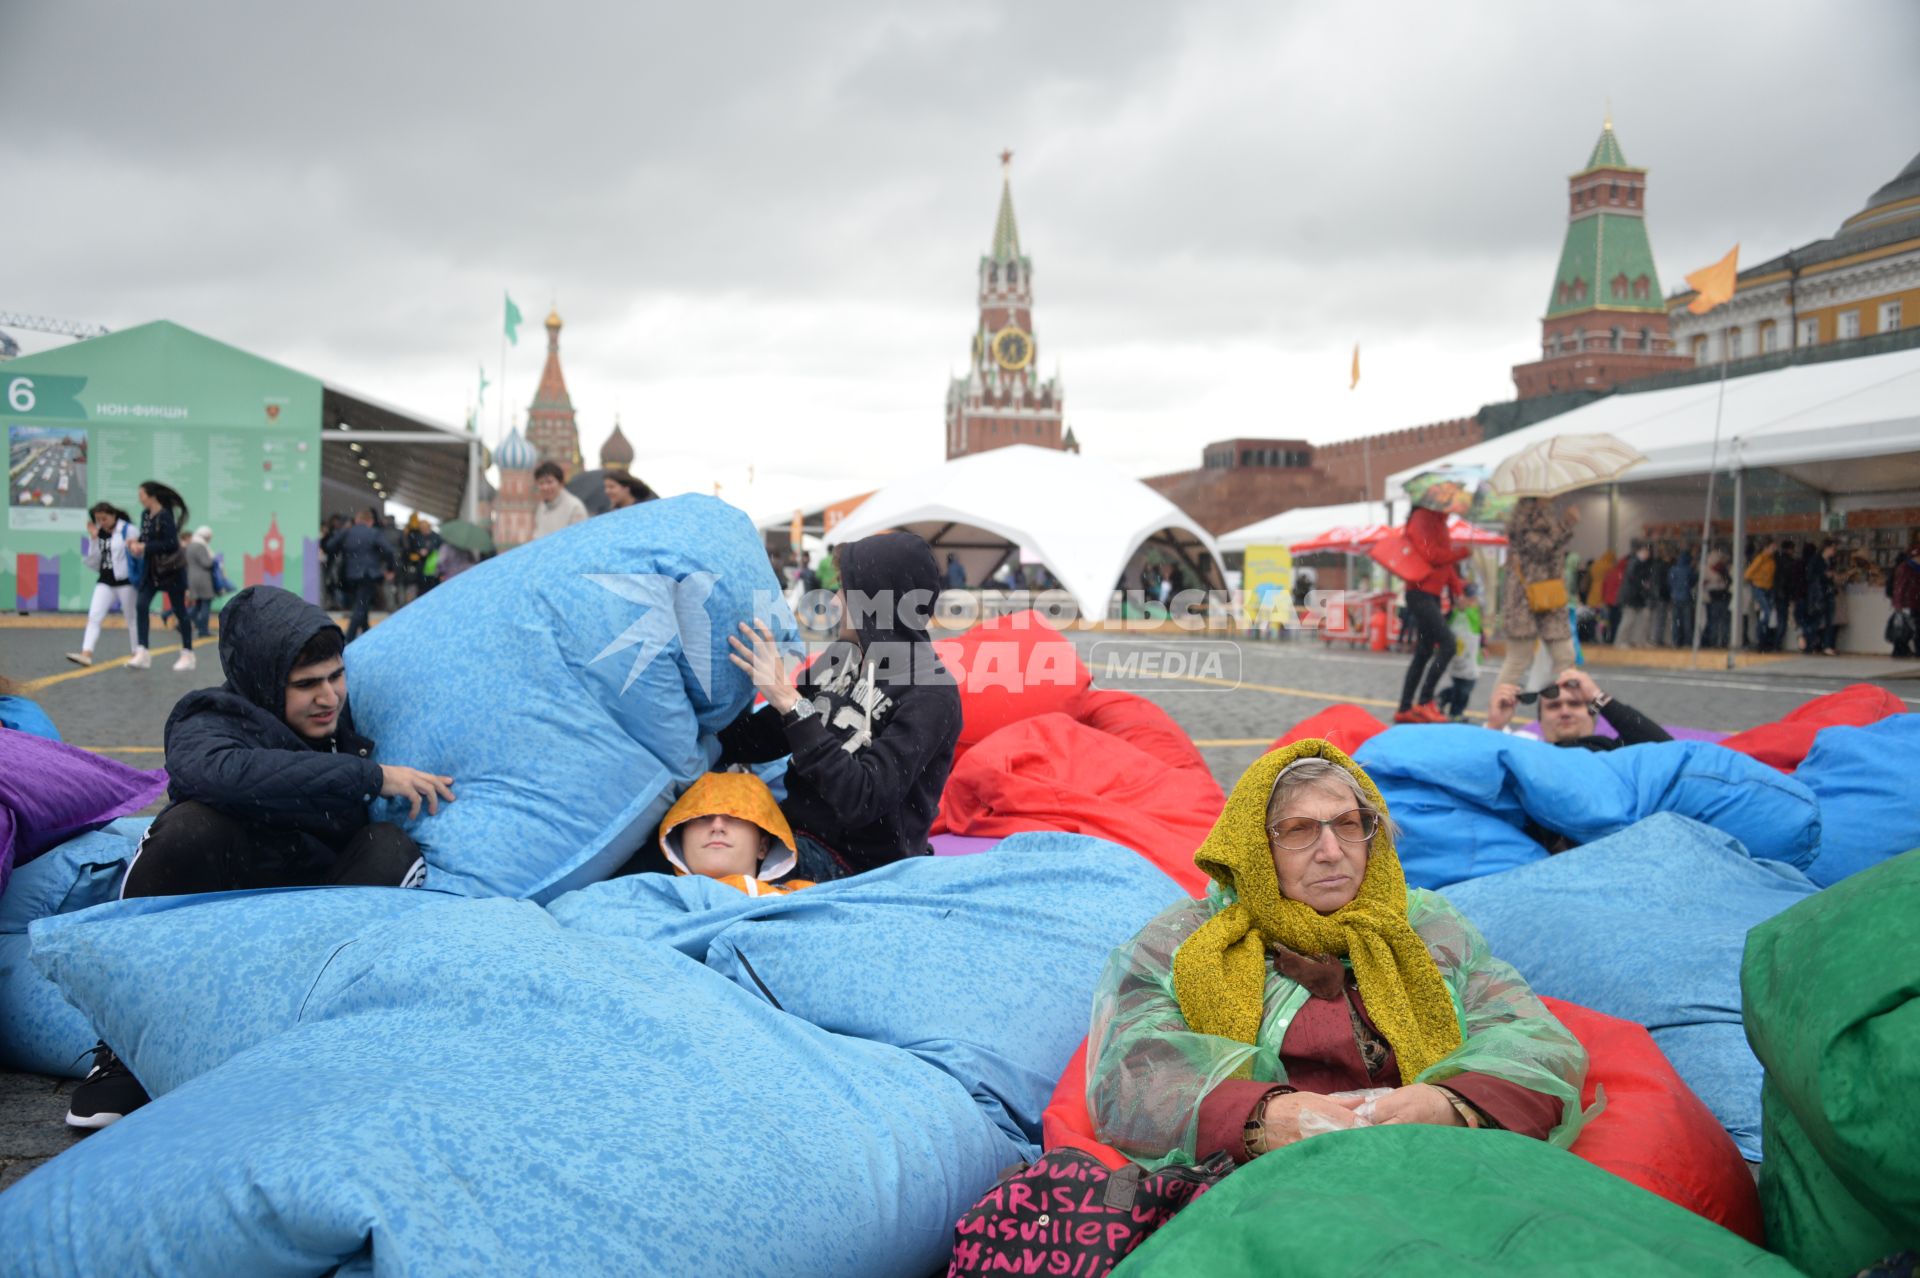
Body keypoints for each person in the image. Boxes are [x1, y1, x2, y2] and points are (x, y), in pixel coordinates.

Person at [1084, 744, 1587, 1171]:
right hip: (1259, 1179)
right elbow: (1131, 1073)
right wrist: (1259, 1120)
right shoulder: (1190, 942)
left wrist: (1453, 1104)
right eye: (1299, 830)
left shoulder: (1423, 928)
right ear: (1257, 848)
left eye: (1350, 824)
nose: (1331, 850)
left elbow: (1533, 1041)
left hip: (1424, 1163)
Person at [66, 587, 453, 1131]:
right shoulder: (206, 718)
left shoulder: (341, 724)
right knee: (187, 826)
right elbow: (215, 773)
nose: (329, 697)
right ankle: (127, 1050)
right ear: (265, 684)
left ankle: (313, 1044)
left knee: (390, 846)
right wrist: (370, 777)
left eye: (336, 676)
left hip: (314, 916)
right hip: (226, 908)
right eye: (306, 685)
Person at [719, 531, 962, 884]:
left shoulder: (931, 693)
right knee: (682, 831)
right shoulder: (842, 658)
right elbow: (767, 737)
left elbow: (862, 799)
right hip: (794, 833)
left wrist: (789, 701)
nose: (833, 602)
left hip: (860, 866)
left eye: (844, 591)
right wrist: (694, 729)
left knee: (705, 864)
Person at [656, 772, 814, 898]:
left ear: (763, 846)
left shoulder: (808, 901)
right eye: (702, 817)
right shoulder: (644, 898)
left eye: (736, 817)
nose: (717, 826)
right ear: (679, 841)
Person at [1491, 497, 1579, 703]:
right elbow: (1539, 550)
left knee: (1565, 656)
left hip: (1549, 596)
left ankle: (1569, 710)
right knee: (1518, 660)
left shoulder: (1545, 516)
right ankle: (1496, 714)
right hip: (1525, 597)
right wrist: (1566, 524)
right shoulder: (1524, 519)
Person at [1392, 506, 1468, 725]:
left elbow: (1447, 564)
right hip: (1419, 592)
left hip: (1431, 594)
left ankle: (1406, 707)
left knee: (1424, 652)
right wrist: (1462, 552)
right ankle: (1424, 701)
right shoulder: (1422, 517)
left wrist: (1457, 590)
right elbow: (1430, 554)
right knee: (1448, 644)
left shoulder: (1440, 521)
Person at [1485, 666, 1671, 750]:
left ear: (1593, 714)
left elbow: (1669, 749)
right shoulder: (1529, 756)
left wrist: (1599, 697)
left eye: (1574, 704)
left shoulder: (1615, 750)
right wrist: (1495, 726)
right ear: (1539, 721)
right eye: (1554, 706)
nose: (1565, 711)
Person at [126, 480, 195, 672]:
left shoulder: (165, 515)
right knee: (141, 605)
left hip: (170, 571)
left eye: (142, 495)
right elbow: (147, 538)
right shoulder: (145, 515)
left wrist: (145, 547)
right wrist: (136, 543)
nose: (140, 499)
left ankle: (188, 653)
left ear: (152, 496)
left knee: (180, 611)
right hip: (151, 570)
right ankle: (142, 651)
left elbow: (171, 543)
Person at [65, 503, 139, 667]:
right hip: (105, 579)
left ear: (114, 515)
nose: (102, 522)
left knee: (131, 618)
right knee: (94, 616)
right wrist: (93, 538)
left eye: (104, 518)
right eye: (98, 519)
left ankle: (137, 653)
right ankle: (86, 653)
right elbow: (94, 559)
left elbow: (135, 554)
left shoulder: (128, 529)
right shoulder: (100, 533)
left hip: (125, 581)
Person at [322, 507, 399, 641]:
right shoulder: (374, 533)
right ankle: (349, 638)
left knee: (361, 604)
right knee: (360, 606)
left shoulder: (347, 532)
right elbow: (388, 550)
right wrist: (390, 568)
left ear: (357, 520)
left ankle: (366, 634)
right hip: (368, 574)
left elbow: (329, 546)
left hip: (350, 575)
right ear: (370, 521)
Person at [1436, 581, 1482, 722]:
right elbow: (1445, 629)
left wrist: (1484, 648)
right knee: (1463, 689)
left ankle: (1443, 698)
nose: (1474, 601)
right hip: (1459, 660)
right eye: (1471, 598)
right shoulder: (1455, 614)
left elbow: (1478, 631)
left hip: (1470, 659)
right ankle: (1455, 712)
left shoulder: (1473, 613)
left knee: (1463, 688)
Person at [532, 460, 589, 539]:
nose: (545, 487)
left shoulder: (575, 507)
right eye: (541, 483)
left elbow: (579, 539)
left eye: (549, 482)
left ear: (561, 483)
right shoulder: (542, 507)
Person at [1615, 543, 1655, 647]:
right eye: (1645, 551)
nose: (1647, 554)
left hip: (1637, 596)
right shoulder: (1634, 563)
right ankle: (1621, 641)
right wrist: (1643, 585)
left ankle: (1638, 640)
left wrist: (1644, 586)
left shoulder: (1642, 563)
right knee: (1629, 619)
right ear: (1639, 551)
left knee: (1641, 619)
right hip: (1631, 596)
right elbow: (1633, 578)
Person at [1802, 541, 1838, 656]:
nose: (1834, 551)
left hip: (1828, 592)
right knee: (1816, 620)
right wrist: (1824, 575)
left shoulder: (1831, 561)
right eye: (1833, 549)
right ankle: (1809, 644)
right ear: (1826, 548)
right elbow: (1809, 576)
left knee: (1829, 620)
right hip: (1819, 594)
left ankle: (1826, 645)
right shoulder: (1816, 560)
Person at [1744, 538, 1780, 651]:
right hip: (1759, 588)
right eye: (1772, 547)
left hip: (1768, 588)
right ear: (1766, 547)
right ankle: (1760, 638)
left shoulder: (1771, 559)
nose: (1774, 550)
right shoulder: (1760, 559)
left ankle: (1763, 640)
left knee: (1766, 614)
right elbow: (1748, 574)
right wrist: (1760, 578)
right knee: (1767, 613)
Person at [185, 526, 218, 640]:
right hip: (203, 579)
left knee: (198, 605)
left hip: (192, 578)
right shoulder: (201, 547)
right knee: (205, 604)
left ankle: (183, 622)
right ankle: (203, 630)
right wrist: (214, 560)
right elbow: (206, 563)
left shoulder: (190, 545)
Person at [1889, 539, 1920, 659]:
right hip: (1908, 603)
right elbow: (1900, 587)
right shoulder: (1905, 568)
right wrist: (1899, 605)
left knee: (1912, 628)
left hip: (1915, 602)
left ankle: (1903, 650)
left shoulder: (1914, 568)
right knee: (1906, 628)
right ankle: (1900, 651)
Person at [1702, 547, 1732, 648]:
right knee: (1721, 622)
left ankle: (1715, 641)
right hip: (1720, 597)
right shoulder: (1723, 569)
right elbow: (1727, 582)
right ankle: (1721, 641)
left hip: (1715, 597)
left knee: (1714, 621)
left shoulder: (1708, 569)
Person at [1667, 547, 1695, 648]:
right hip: (1686, 597)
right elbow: (1693, 581)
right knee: (1687, 621)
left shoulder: (1673, 569)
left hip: (1675, 597)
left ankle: (1676, 641)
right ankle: (1687, 642)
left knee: (1676, 621)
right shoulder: (1688, 570)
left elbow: (1670, 582)